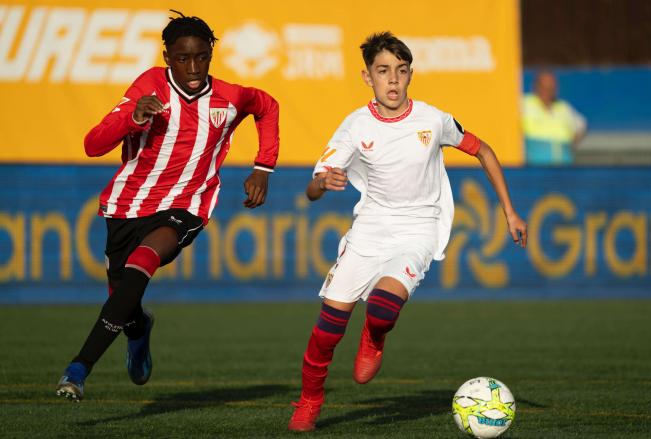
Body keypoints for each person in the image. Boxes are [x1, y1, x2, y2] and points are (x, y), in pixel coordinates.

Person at [287, 32, 527, 432]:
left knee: (382, 309)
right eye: (383, 71)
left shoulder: (432, 120)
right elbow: (312, 189)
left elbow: (483, 150)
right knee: (327, 329)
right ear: (368, 78)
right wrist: (322, 182)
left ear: (411, 75)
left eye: (400, 71)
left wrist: (510, 212)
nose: (393, 80)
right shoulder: (355, 125)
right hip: (369, 230)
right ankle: (310, 400)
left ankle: (375, 335)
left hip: (418, 230)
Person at [55, 11, 279, 401]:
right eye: (182, 58)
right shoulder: (148, 87)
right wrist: (131, 117)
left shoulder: (229, 96)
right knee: (122, 297)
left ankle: (78, 368)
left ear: (210, 54)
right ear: (166, 57)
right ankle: (138, 330)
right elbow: (93, 145)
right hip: (129, 203)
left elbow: (267, 106)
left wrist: (263, 167)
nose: (193, 68)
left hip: (187, 204)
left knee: (145, 260)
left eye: (201, 57)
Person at [522, 70, 587, 165]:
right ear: (536, 87)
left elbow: (581, 125)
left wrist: (568, 147)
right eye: (544, 87)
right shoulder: (524, 104)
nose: (548, 91)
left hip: (564, 168)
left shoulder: (563, 107)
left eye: (552, 87)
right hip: (535, 169)